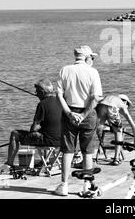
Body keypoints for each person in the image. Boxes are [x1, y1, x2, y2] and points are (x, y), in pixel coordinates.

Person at [54, 45, 102, 196]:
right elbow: (95, 98)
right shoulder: (93, 72)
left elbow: (59, 95)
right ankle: (86, 186)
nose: (93, 60)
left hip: (69, 114)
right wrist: (84, 115)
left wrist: (68, 113)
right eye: (92, 58)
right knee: (87, 152)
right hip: (87, 115)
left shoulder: (64, 70)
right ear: (87, 58)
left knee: (67, 151)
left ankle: (64, 185)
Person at [0, 78, 62, 173]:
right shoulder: (60, 101)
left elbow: (34, 128)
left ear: (42, 92)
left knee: (14, 134)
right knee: (45, 131)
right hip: (62, 140)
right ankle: (46, 161)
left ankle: (9, 164)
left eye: (37, 91)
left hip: (49, 141)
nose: (35, 93)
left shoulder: (42, 104)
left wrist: (32, 132)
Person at [98, 94, 135, 165]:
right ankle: (116, 158)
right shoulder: (122, 105)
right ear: (125, 102)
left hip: (100, 105)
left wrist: (111, 126)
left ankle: (90, 155)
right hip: (111, 108)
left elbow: (106, 115)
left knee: (99, 128)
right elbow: (133, 126)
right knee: (119, 132)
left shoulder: (112, 98)